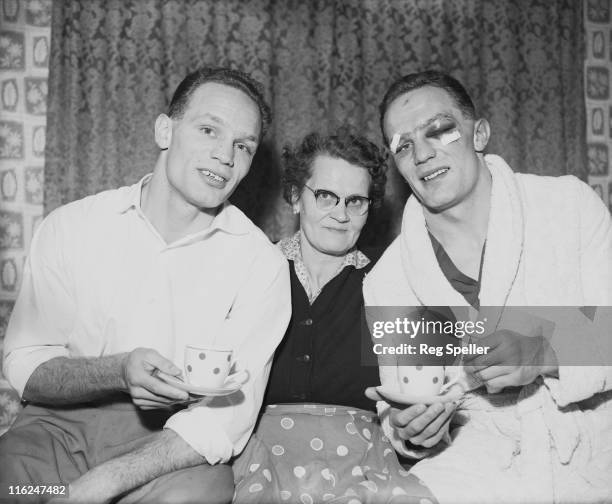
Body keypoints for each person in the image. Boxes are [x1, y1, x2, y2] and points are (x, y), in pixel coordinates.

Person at [0, 67, 291, 504]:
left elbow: (224, 419)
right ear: (164, 130)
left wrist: (105, 481)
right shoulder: (72, 226)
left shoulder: (261, 263)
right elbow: (26, 364)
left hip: (168, 448)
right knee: (15, 487)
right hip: (55, 431)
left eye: (243, 146)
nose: (225, 156)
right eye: (209, 129)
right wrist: (117, 370)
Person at [364, 70, 612, 503]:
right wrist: (411, 430)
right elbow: (406, 400)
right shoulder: (390, 279)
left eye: (439, 130)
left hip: (596, 452)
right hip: (479, 464)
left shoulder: (568, 206)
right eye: (403, 145)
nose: (421, 153)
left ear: (479, 134)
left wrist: (545, 351)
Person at [232, 129, 438, 504]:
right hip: (259, 461)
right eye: (326, 196)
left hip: (365, 467)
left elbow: (466, 338)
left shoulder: (389, 279)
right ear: (296, 197)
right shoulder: (253, 270)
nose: (340, 214)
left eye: (356, 201)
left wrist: (419, 426)